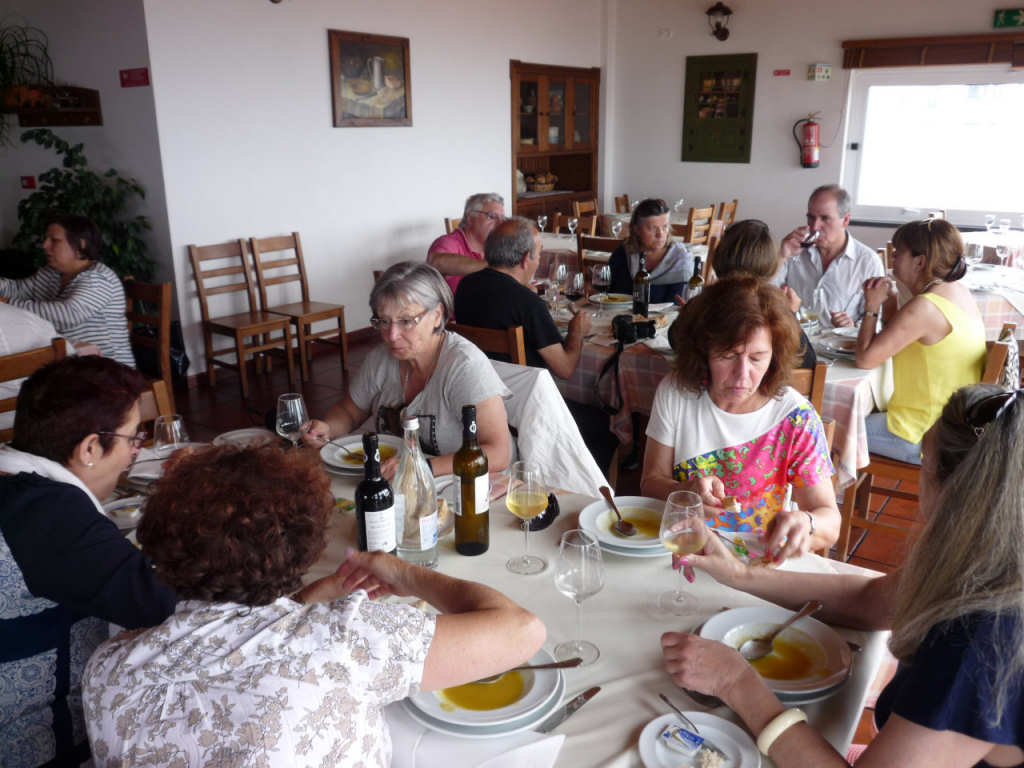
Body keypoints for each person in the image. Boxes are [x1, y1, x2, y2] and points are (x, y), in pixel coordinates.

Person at [82, 444, 546, 767]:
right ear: (302, 548)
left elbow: (231, 642)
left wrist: (306, 600)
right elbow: (522, 630)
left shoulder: (107, 668)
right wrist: (405, 574)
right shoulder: (343, 642)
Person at [661, 383, 1024, 768]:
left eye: (924, 460)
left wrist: (736, 682)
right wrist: (738, 574)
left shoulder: (982, 638)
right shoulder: (989, 550)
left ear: (956, 493)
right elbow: (870, 601)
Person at [0, 356, 177, 768]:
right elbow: (167, 604)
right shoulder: (46, 512)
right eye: (133, 439)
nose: (134, 453)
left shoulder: (17, 485)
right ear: (90, 448)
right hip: (38, 744)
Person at [642, 275, 839, 560]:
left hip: (757, 566)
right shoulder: (677, 392)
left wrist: (807, 522)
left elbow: (830, 521)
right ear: (704, 351)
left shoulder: (796, 418)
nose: (742, 375)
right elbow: (650, 482)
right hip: (685, 554)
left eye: (757, 358)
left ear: (775, 357)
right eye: (728, 356)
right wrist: (684, 490)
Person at [305, 262, 512, 479]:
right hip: (401, 482)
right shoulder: (381, 358)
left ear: (437, 315)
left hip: (467, 485)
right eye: (384, 321)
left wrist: (420, 468)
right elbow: (349, 412)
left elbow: (498, 453)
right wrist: (327, 428)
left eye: (406, 321)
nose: (392, 335)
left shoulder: (464, 366)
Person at [454, 217, 617, 472]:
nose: (539, 261)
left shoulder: (465, 287)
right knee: (605, 424)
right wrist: (577, 332)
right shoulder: (527, 303)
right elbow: (565, 369)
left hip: (480, 399)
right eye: (539, 254)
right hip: (526, 411)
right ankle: (583, 488)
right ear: (524, 259)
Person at [855, 219, 985, 464]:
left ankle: (828, 488)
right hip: (951, 427)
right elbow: (898, 342)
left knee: (828, 425)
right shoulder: (957, 291)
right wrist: (890, 301)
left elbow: (864, 359)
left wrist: (871, 306)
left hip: (921, 434)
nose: (892, 259)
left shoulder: (925, 307)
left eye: (897, 253)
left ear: (920, 262)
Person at [0, 214, 136, 366]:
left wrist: (8, 303)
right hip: (70, 362)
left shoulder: (98, 279)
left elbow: (68, 315)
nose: (44, 245)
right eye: (46, 239)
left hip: (108, 369)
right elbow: (16, 289)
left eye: (54, 240)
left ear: (80, 245)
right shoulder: (52, 272)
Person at [708, 218, 816, 369]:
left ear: (718, 258)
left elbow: (677, 343)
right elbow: (808, 363)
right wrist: (790, 314)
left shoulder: (702, 306)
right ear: (769, 266)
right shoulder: (774, 314)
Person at [776, 185, 884, 328]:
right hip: (796, 337)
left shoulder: (867, 261)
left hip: (841, 341)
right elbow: (765, 297)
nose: (815, 226)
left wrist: (852, 329)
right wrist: (781, 256)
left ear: (845, 220)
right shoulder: (793, 251)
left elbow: (877, 321)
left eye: (825, 218)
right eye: (811, 217)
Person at [607, 198, 694, 302]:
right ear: (637, 229)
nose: (660, 234)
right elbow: (610, 295)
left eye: (665, 227)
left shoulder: (680, 259)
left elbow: (681, 304)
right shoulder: (623, 253)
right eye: (653, 228)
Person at [427, 192, 505, 296]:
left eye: (502, 218)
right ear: (470, 218)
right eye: (492, 216)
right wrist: (494, 268)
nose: (500, 223)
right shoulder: (449, 242)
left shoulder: (496, 245)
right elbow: (435, 262)